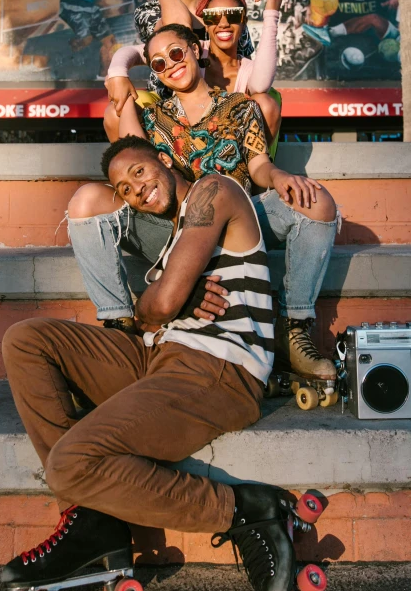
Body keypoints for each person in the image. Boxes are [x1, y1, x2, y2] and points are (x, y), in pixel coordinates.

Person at [1, 135, 311, 591]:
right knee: (25, 340)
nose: (136, 189)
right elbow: (149, 312)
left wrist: (168, 302)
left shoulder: (215, 191)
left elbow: (159, 305)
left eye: (140, 173)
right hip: (157, 357)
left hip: (218, 368)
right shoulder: (173, 243)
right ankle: (92, 521)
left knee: (68, 462)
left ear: (164, 161)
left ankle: (245, 509)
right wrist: (166, 301)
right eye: (124, 189)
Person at [68, 23, 338, 383]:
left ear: (196, 50)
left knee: (317, 201)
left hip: (235, 231)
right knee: (85, 199)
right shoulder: (154, 116)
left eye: (176, 53)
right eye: (159, 64)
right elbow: (136, 161)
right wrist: (122, 81)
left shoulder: (240, 107)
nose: (170, 65)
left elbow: (258, 165)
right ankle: (120, 325)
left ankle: (292, 329)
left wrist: (279, 178)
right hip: (172, 232)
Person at [104, 0, 282, 151]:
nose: (224, 23)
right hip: (181, 141)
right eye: (213, 17)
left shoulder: (248, 70)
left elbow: (261, 85)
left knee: (267, 102)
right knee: (116, 111)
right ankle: (134, 172)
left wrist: (271, 16)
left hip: (229, 153)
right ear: (205, 23)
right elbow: (133, 52)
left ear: (243, 22)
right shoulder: (190, 50)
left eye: (233, 15)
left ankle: (254, 174)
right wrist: (117, 74)